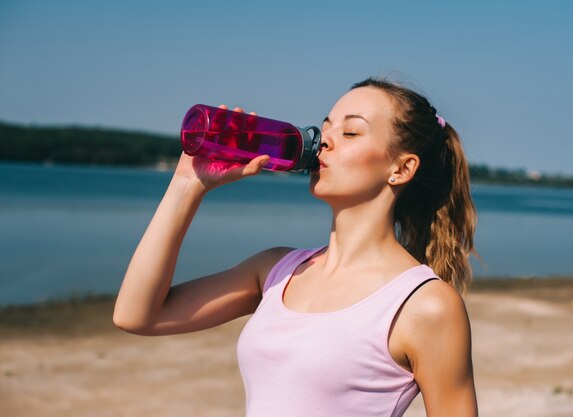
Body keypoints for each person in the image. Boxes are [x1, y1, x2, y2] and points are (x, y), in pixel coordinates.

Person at [113, 76, 479, 416]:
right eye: (326, 126)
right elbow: (138, 315)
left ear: (401, 169)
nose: (324, 140)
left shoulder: (424, 305)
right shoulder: (275, 271)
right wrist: (187, 183)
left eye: (351, 132)